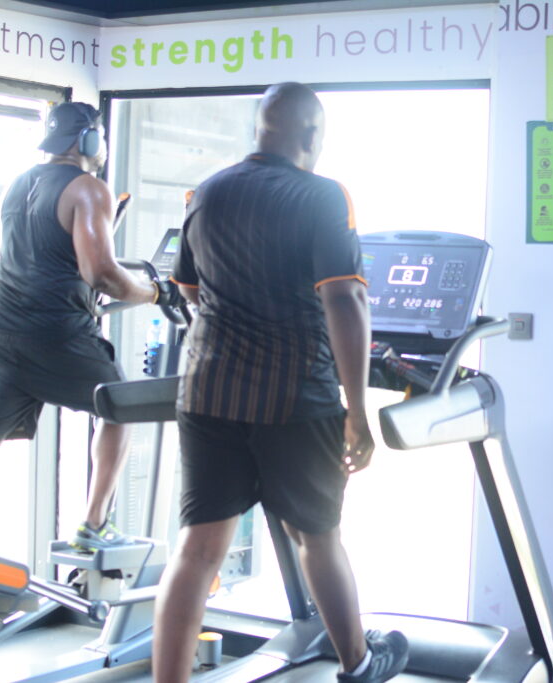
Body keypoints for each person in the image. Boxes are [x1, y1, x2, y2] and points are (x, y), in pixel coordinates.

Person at [152, 82, 409, 683]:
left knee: (197, 548)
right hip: (296, 397)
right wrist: (357, 411)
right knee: (317, 536)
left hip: (207, 393)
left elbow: (188, 290)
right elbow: (344, 299)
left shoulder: (207, 192)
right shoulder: (323, 196)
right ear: (312, 135)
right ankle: (359, 663)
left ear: (260, 130)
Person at [0, 102, 179, 552]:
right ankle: (94, 525)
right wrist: (154, 293)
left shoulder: (18, 182)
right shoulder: (89, 189)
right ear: (89, 139)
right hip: (53, 331)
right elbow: (101, 273)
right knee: (120, 406)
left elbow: (44, 255)